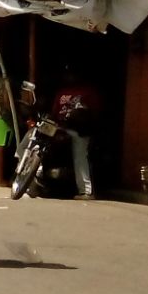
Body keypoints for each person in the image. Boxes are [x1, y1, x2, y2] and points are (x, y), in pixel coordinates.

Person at [51, 69, 101, 200]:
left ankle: (86, 191)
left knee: (79, 154)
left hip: (78, 129)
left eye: (72, 73)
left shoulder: (88, 92)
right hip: (60, 127)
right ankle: (31, 182)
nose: (70, 76)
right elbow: (54, 112)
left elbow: (94, 113)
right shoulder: (61, 92)